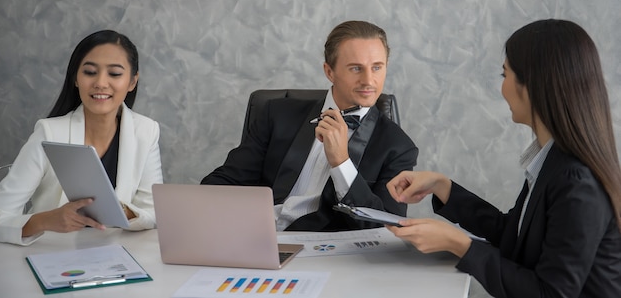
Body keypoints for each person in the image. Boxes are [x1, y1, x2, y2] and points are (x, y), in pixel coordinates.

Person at [386, 19, 621, 298]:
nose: (502, 88)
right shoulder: (553, 161)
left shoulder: (576, 181)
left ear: (532, 84)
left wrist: (460, 245)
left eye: (504, 75)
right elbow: (515, 236)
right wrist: (442, 186)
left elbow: (550, 293)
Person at [202, 20, 418, 231]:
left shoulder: (398, 146)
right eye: (355, 68)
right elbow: (228, 181)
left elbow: (387, 228)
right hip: (260, 237)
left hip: (331, 256)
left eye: (377, 67)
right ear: (329, 71)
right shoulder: (276, 115)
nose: (369, 80)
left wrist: (341, 163)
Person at [0, 30, 163, 245]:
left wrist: (123, 211)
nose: (101, 83)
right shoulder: (49, 133)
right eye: (90, 72)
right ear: (76, 78)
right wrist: (45, 220)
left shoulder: (146, 131)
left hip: (119, 257)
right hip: (51, 256)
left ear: (132, 82)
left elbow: (154, 213)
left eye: (114, 74)